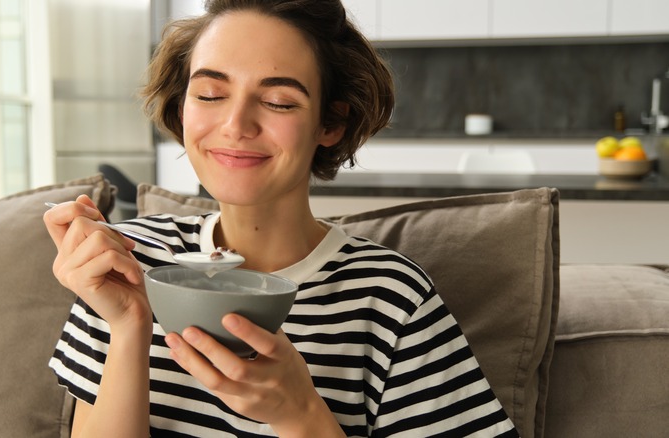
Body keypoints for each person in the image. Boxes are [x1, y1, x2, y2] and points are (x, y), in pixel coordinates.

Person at [43, 0, 518, 436]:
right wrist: (128, 328)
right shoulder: (125, 264)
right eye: (210, 94)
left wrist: (301, 413)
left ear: (330, 123)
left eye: (279, 102)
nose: (236, 125)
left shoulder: (390, 297)